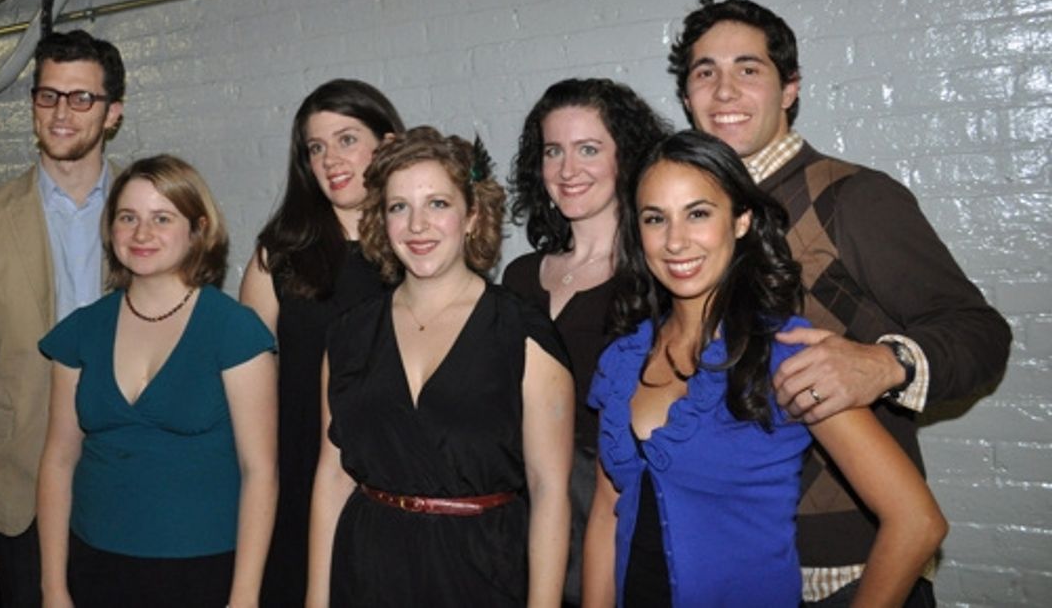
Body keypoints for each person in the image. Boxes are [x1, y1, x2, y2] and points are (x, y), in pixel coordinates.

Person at [667, 0, 1011, 604]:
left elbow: (980, 332)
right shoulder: (685, 223)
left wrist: (884, 363)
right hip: (730, 558)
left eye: (748, 69)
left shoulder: (853, 198)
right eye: (704, 72)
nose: (723, 91)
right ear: (686, 95)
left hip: (850, 570)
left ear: (790, 88)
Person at [582, 130, 947, 607]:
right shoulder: (622, 359)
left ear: (741, 221)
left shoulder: (786, 354)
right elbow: (609, 511)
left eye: (698, 214)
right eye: (656, 218)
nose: (675, 241)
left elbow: (917, 521)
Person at [308, 127, 574, 607]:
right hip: (368, 570)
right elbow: (332, 477)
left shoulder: (522, 333)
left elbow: (550, 489)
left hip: (483, 571)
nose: (417, 225)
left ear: (472, 215)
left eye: (437, 204)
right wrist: (316, 600)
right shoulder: (348, 335)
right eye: (398, 207)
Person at [0, 29, 126, 605]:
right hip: (20, 498)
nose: (62, 113)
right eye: (48, 96)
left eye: (81, 98)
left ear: (113, 114)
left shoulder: (153, 212)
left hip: (131, 483)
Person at [37, 155, 277, 608]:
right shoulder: (81, 331)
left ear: (198, 229)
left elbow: (260, 471)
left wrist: (244, 597)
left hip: (204, 572)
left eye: (162, 218)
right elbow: (58, 461)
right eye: (128, 218)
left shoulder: (234, 331)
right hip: (95, 568)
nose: (142, 234)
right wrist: (53, 587)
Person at [503, 77, 670, 605]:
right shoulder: (520, 276)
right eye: (554, 151)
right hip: (522, 516)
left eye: (589, 149)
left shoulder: (660, 278)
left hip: (620, 519)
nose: (568, 170)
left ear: (628, 158)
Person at [239, 79, 404, 607]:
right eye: (316, 147)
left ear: (389, 144)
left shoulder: (422, 254)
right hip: (299, 488)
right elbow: (247, 407)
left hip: (399, 494)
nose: (331, 158)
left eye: (347, 139)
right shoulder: (276, 259)